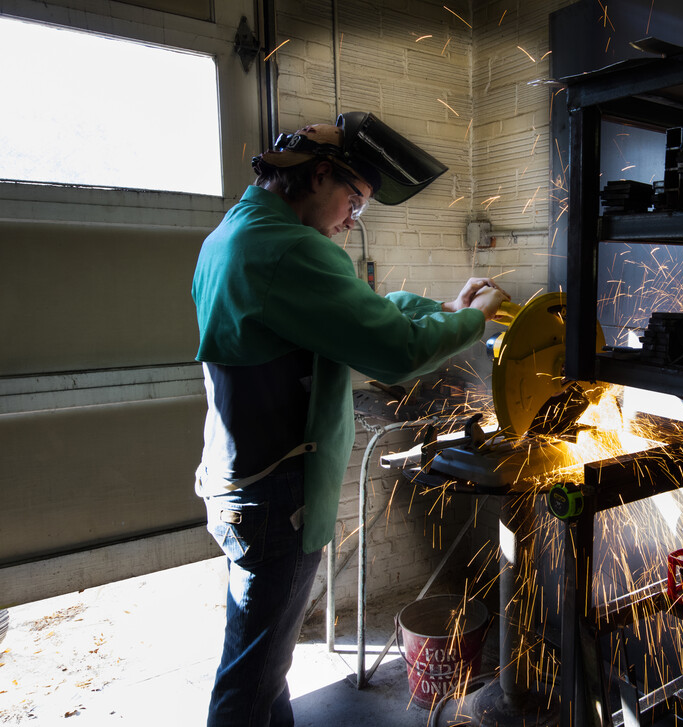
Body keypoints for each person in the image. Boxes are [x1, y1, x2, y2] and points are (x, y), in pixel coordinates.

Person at [191, 112, 508, 726]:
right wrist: (475, 320)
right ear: (318, 175)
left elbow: (363, 312)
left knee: (261, 664)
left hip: (239, 478)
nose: (350, 220)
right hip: (276, 495)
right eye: (354, 201)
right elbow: (395, 351)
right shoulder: (288, 250)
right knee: (251, 680)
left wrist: (441, 307)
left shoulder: (235, 232)